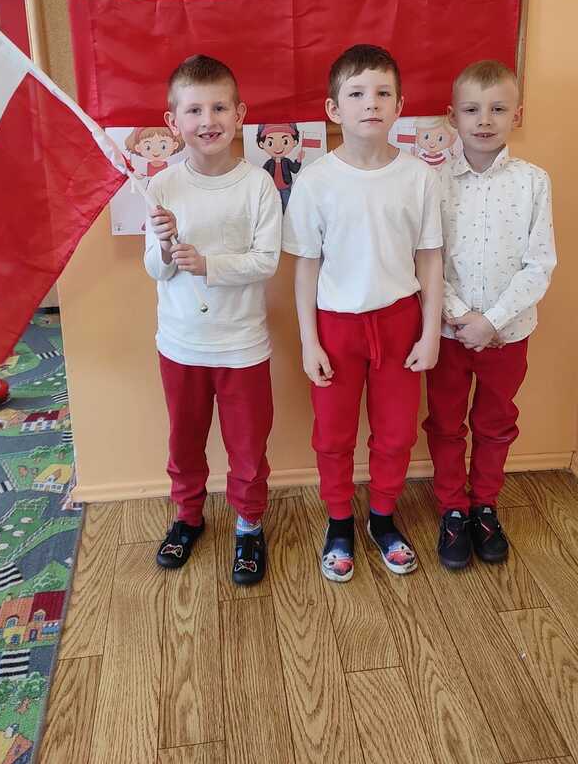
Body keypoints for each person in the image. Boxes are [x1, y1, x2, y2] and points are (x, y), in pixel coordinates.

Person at [283, 44, 443, 581]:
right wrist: (309, 340)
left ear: (400, 106)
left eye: (382, 93)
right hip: (336, 327)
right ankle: (338, 521)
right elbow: (305, 267)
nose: (370, 103)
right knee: (333, 435)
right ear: (334, 109)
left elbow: (430, 259)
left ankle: (382, 517)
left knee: (396, 434)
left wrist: (431, 332)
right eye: (356, 93)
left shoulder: (419, 177)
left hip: (400, 324)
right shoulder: (316, 180)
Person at [144, 55, 282, 585]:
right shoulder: (162, 187)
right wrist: (164, 245)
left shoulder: (258, 185)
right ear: (173, 121)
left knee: (248, 447)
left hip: (242, 346)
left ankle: (249, 524)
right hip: (180, 345)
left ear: (240, 114)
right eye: (195, 110)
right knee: (184, 442)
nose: (208, 120)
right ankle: (187, 517)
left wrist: (210, 265)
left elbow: (266, 261)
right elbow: (155, 269)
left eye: (220, 108)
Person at [425, 60, 556, 570]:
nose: (484, 120)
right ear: (452, 116)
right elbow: (426, 258)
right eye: (472, 110)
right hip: (449, 333)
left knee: (496, 421)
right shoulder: (432, 182)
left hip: (508, 333)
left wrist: (493, 320)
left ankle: (484, 505)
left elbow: (539, 263)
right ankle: (452, 508)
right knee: (446, 422)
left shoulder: (533, 182)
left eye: (498, 109)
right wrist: (462, 318)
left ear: (516, 115)